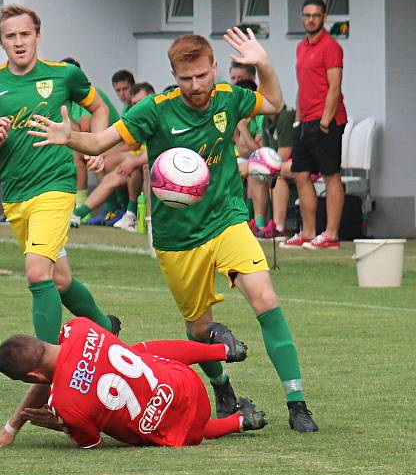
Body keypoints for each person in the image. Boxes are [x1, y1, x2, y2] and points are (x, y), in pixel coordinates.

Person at [28, 30, 319, 432]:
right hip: (177, 239)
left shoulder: (228, 98)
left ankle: (297, 402)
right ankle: (222, 387)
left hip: (227, 218)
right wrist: (70, 137)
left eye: (202, 75)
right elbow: (101, 141)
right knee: (199, 329)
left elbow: (274, 102)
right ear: (174, 75)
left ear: (215, 68)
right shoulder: (154, 109)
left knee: (265, 298)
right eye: (186, 79)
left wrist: (263, 63)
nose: (196, 86)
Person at [0, 4, 119, 447]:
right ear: (1, 41)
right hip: (15, 197)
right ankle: (107, 330)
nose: (18, 41)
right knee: (61, 279)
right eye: (10, 35)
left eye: (25, 34)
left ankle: (51, 368)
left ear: (37, 35)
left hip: (55, 187)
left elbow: (100, 107)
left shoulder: (63, 75)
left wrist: (95, 147)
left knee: (37, 272)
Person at [0, 317, 267, 448]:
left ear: (32, 377)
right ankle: (221, 351)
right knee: (137, 351)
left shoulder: (65, 404)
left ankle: (238, 421)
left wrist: (62, 424)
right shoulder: (78, 327)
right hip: (186, 382)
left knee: (170, 424)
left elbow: (94, 444)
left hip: (181, 431)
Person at [281, 0, 348, 250]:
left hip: (326, 121)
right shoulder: (301, 47)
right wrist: (298, 120)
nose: (311, 19)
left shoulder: (331, 47)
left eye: (316, 15)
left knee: (331, 175)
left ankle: (330, 235)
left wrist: (325, 121)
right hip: (305, 121)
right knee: (300, 174)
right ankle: (308, 232)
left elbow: (334, 87)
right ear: (302, 17)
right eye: (307, 15)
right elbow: (303, 86)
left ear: (324, 17)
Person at [71, 82, 155, 232]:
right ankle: (79, 214)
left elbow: (140, 147)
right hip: (138, 165)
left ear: (152, 99)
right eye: (134, 104)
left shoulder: (158, 115)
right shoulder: (138, 117)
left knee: (133, 164)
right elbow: (127, 142)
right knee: (112, 168)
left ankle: (128, 213)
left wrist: (134, 160)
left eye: (141, 102)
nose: (137, 107)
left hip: (154, 165)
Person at [59, 57, 121, 209]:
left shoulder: (89, 94)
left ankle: (82, 206)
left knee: (81, 154)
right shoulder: (69, 98)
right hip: (101, 145)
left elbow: (83, 130)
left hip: (116, 145)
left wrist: (58, 112)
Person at [247, 105, 296, 240]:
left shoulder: (285, 116)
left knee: (273, 172)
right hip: (284, 164)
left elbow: (284, 154)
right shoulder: (265, 121)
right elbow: (266, 152)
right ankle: (259, 225)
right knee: (256, 172)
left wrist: (263, 163)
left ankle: (278, 227)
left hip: (300, 162)